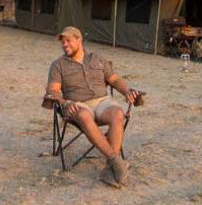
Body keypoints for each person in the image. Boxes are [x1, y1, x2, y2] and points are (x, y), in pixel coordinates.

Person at [46, 26, 139, 187]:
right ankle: (116, 161)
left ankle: (111, 167)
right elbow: (53, 90)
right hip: (78, 105)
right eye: (62, 42)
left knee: (118, 113)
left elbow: (115, 80)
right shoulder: (58, 65)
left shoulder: (97, 58)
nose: (64, 44)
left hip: (102, 101)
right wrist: (65, 103)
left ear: (78, 40)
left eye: (68, 40)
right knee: (84, 115)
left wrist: (126, 91)